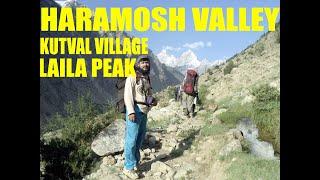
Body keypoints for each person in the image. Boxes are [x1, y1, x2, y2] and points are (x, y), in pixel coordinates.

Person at [123, 55, 157, 179]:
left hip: (144, 111)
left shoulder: (147, 78)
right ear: (137, 64)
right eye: (142, 62)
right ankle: (128, 167)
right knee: (131, 140)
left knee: (139, 139)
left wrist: (152, 101)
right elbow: (128, 96)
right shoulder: (132, 77)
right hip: (135, 111)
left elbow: (148, 94)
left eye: (147, 63)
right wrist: (131, 112)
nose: (145, 65)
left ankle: (135, 162)